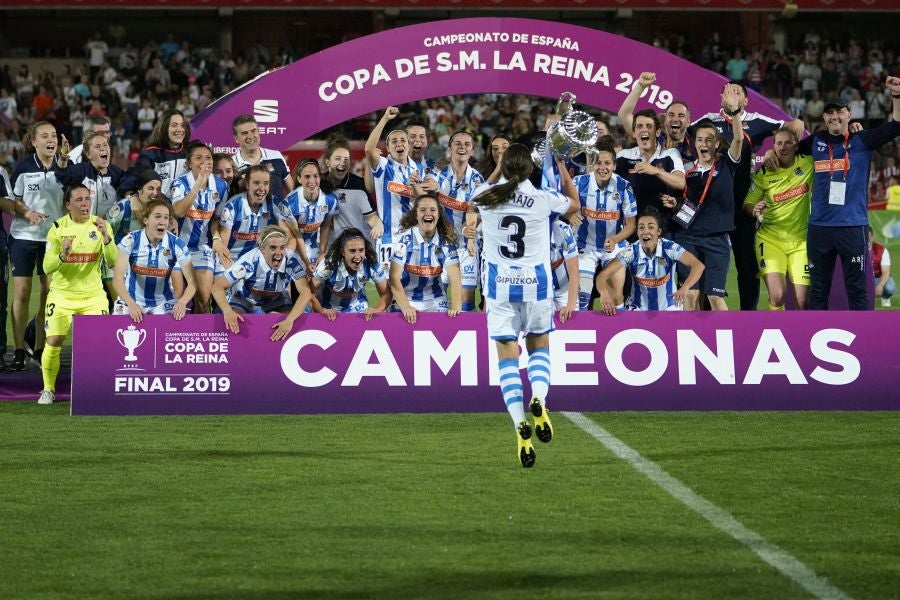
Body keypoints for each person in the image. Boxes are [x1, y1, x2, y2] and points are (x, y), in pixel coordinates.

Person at [471, 143, 577, 468]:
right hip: (536, 286)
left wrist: (499, 170)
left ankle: (519, 421)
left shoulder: (484, 196)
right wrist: (559, 164)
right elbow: (573, 204)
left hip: (499, 288)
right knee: (539, 347)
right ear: (530, 169)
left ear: (503, 166)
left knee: (507, 356)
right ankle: (539, 398)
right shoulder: (544, 199)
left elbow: (480, 191)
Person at [692, 80, 805, 310]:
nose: (732, 95)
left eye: (737, 92)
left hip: (743, 208)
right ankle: (704, 319)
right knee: (706, 266)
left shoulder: (757, 121)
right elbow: (677, 132)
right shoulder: (707, 121)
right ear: (722, 97)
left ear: (746, 100)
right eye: (728, 91)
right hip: (712, 210)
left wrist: (778, 144)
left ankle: (748, 317)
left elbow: (793, 126)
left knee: (748, 269)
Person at [801, 80, 900, 309]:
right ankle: (814, 338)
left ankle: (864, 342)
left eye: (839, 112)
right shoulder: (814, 141)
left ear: (849, 115)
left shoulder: (862, 139)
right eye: (830, 113)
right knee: (817, 291)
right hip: (819, 228)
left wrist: (896, 97)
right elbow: (786, 149)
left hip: (853, 227)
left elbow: (896, 126)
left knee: (857, 291)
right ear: (824, 118)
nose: (835, 116)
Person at [661, 91, 745, 311]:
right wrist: (675, 204)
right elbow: (689, 203)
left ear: (716, 144)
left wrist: (735, 112)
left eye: (709, 140)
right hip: (688, 237)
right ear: (694, 144)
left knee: (715, 297)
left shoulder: (727, 165)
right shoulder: (687, 169)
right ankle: (692, 342)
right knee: (690, 295)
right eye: (700, 140)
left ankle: (727, 341)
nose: (704, 144)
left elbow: (737, 138)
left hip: (717, 240)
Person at [38, 184, 117, 404]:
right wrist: (63, 254)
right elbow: (47, 267)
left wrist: (106, 238)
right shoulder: (57, 228)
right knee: (53, 340)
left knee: (99, 343)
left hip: (93, 295)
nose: (85, 204)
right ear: (68, 205)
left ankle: (96, 388)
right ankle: (48, 389)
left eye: (87, 199)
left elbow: (113, 260)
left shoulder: (101, 226)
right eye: (79, 200)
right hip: (62, 294)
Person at [2, 122, 64, 370]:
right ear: (34, 142)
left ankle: (38, 348)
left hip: (53, 240)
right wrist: (28, 213)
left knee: (49, 295)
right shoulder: (23, 167)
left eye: (54, 136)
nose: (51, 140)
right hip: (23, 237)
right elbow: (13, 201)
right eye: (45, 136)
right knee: (23, 292)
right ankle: (18, 350)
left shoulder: (64, 167)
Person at [743, 127, 813, 310]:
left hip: (801, 242)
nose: (783, 147)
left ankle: (801, 336)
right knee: (777, 295)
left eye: (788, 142)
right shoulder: (764, 173)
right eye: (779, 143)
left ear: (797, 146)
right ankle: (777, 333)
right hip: (771, 239)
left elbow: (799, 123)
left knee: (804, 301)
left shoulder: (808, 164)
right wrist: (754, 209)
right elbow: (747, 203)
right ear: (773, 147)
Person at [212, 226, 313, 342]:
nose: (279, 253)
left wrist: (289, 320)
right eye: (273, 248)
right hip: (246, 297)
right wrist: (227, 310)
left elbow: (306, 292)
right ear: (262, 249)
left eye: (282, 248)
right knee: (233, 322)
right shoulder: (248, 262)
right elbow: (217, 287)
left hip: (277, 297)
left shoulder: (291, 261)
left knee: (296, 321)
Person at [365, 106, 435, 266]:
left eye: (403, 140)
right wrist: (385, 118)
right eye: (394, 141)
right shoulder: (383, 165)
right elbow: (369, 150)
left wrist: (415, 187)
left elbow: (422, 201)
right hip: (388, 238)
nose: (399, 144)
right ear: (388, 148)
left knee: (411, 287)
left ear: (408, 146)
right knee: (389, 288)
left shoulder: (419, 169)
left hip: (413, 236)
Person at [572, 138, 637, 311]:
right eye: (599, 163)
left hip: (614, 247)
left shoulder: (624, 187)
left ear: (614, 166)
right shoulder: (578, 183)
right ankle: (583, 332)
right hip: (585, 247)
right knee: (582, 296)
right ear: (592, 165)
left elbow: (631, 225)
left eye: (608, 163)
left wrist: (615, 239)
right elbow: (563, 205)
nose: (603, 167)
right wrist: (570, 214)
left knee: (616, 295)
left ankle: (619, 329)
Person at [599, 207, 704, 312]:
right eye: (641, 227)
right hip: (638, 309)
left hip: (669, 307)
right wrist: (604, 293)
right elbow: (603, 276)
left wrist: (685, 287)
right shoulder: (630, 252)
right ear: (637, 232)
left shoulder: (669, 248)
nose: (645, 231)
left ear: (659, 231)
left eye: (650, 227)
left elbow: (698, 266)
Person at [170, 141, 229, 313]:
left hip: (202, 247)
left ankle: (201, 335)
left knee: (204, 298)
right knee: (179, 296)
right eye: (199, 158)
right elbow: (179, 211)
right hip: (178, 247)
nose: (205, 161)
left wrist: (217, 238)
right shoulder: (179, 183)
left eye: (208, 158)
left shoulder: (221, 186)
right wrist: (198, 184)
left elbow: (216, 218)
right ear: (188, 163)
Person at [112, 198, 195, 321]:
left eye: (166, 217)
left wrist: (182, 302)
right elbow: (117, 279)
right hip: (131, 299)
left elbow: (193, 282)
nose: (163, 222)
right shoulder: (130, 240)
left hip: (163, 303)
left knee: (172, 328)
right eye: (157, 217)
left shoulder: (177, 244)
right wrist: (131, 304)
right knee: (115, 329)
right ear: (146, 220)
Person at [390, 192, 462, 323]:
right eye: (423, 210)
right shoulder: (404, 240)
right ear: (416, 215)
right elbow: (394, 278)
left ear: (439, 215)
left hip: (436, 300)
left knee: (448, 327)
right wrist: (406, 306)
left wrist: (456, 306)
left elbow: (455, 277)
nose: (428, 213)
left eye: (433, 210)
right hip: (407, 298)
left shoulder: (446, 242)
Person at [434, 130, 485, 312]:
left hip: (466, 248)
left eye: (467, 144)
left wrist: (469, 231)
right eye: (457, 143)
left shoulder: (478, 181)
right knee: (437, 303)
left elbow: (478, 212)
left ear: (472, 150)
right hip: (439, 248)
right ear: (450, 149)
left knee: (466, 306)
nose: (462, 147)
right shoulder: (437, 177)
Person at [615, 105, 686, 232]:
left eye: (649, 126)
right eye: (639, 126)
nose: (644, 130)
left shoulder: (670, 154)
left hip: (662, 230)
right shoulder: (623, 156)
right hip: (631, 229)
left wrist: (656, 170)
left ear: (658, 132)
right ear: (633, 132)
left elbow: (680, 182)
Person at [212, 164, 284, 265]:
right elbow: (222, 249)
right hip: (231, 261)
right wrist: (233, 273)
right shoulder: (233, 206)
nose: (262, 188)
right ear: (247, 184)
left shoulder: (273, 206)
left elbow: (289, 233)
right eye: (256, 183)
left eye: (266, 183)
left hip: (258, 265)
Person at [312, 228, 390, 319]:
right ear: (343, 252)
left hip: (358, 307)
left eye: (361, 250)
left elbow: (386, 293)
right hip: (329, 309)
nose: (357, 256)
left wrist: (376, 310)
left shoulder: (371, 264)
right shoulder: (328, 265)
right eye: (352, 251)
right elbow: (309, 293)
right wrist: (321, 311)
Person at [321, 135, 383, 242]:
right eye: (338, 158)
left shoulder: (358, 186)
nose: (343, 163)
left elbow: (372, 218)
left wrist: (378, 226)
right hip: (333, 249)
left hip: (361, 247)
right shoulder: (318, 185)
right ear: (328, 162)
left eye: (346, 159)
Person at [281, 158, 339, 272]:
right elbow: (296, 236)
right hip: (292, 245)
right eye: (307, 177)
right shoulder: (289, 204)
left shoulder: (331, 200)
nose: (312, 181)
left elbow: (326, 226)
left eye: (315, 176)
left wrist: (322, 253)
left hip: (312, 245)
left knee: (320, 273)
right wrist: (306, 263)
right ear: (299, 179)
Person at [54, 130, 125, 218]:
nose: (103, 148)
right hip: (84, 228)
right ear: (89, 154)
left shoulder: (117, 174)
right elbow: (61, 174)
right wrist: (64, 156)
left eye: (105, 145)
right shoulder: (82, 170)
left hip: (109, 229)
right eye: (97, 146)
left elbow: (129, 189)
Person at [121, 109, 189, 198]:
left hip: (184, 208)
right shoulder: (150, 155)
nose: (180, 129)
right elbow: (133, 179)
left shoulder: (189, 153)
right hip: (158, 208)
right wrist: (131, 196)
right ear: (164, 128)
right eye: (174, 125)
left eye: (182, 125)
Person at [230, 114, 293, 204]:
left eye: (253, 131)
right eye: (244, 133)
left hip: (277, 217)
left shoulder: (276, 156)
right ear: (236, 139)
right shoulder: (231, 165)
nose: (250, 136)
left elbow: (292, 191)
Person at [106, 169, 163, 243]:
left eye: (158, 189)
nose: (155, 193)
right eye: (151, 188)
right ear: (139, 189)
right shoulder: (124, 207)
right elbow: (103, 224)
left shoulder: (160, 209)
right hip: (121, 252)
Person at [550, 217, 579, 322]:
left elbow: (574, 273)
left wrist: (570, 306)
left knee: (572, 320)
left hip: (564, 290)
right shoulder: (528, 230)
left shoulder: (563, 228)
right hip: (539, 291)